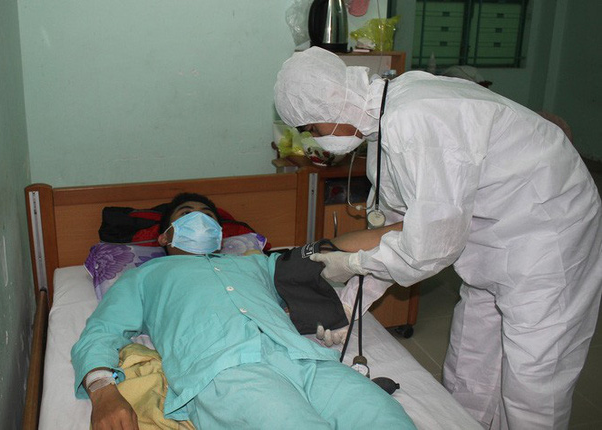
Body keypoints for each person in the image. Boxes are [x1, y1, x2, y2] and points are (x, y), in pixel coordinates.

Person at [273, 46, 602, 430]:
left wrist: (353, 263)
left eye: (313, 129)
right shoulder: (385, 122)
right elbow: (395, 228)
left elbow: (428, 247)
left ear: (332, 102)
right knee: (470, 359)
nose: (315, 140)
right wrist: (347, 305)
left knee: (533, 378)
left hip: (550, 234)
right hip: (493, 235)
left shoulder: (415, 119)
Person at [71, 192, 416, 430]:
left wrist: (403, 231)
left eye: (208, 216)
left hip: (307, 360)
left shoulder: (256, 264)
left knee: (386, 417)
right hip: (226, 372)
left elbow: (327, 251)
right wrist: (103, 392)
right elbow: (102, 330)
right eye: (186, 214)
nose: (199, 219)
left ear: (220, 235)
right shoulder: (144, 276)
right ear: (164, 237)